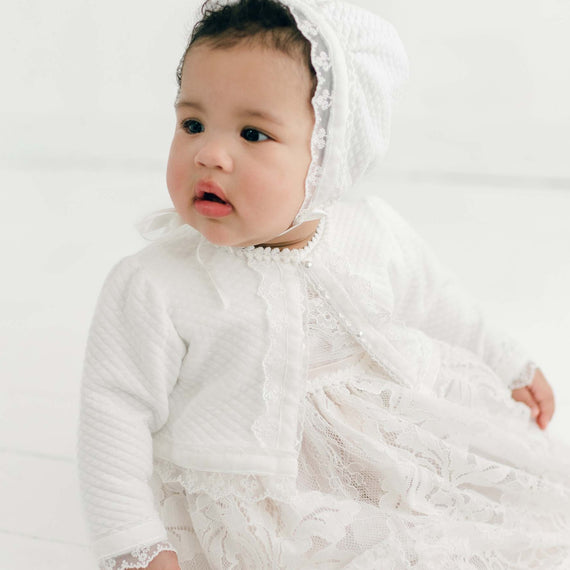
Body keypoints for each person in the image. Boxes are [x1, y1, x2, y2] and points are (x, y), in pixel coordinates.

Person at [77, 0, 570, 568]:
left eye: (253, 133)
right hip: (268, 502)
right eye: (192, 124)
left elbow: (441, 305)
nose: (210, 153)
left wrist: (509, 363)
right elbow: (112, 414)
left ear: (328, 156)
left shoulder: (369, 232)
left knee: (492, 527)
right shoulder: (155, 284)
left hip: (392, 450)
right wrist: (136, 545)